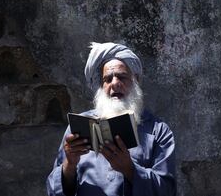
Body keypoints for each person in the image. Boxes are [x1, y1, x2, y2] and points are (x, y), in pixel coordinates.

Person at [46, 42, 176, 196]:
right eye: (108, 79)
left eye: (122, 77)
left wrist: (130, 169)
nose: (115, 83)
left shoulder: (158, 131)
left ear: (135, 81)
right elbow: (53, 190)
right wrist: (69, 164)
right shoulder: (79, 126)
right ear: (101, 86)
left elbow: (167, 191)